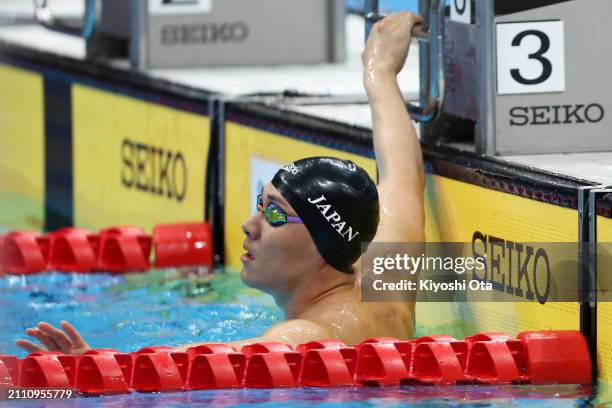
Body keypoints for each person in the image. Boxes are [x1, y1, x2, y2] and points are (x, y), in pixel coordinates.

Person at [16, 12, 426, 355]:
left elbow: (209, 363)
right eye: (259, 203)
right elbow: (402, 175)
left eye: (273, 213)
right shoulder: (385, 283)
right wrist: (380, 70)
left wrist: (94, 364)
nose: (250, 224)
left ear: (322, 247)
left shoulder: (307, 337)